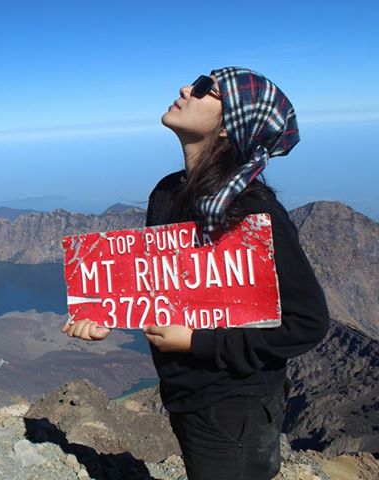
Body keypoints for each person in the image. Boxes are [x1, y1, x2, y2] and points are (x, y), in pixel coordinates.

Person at [62, 66, 331, 480]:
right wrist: (106, 312)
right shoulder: (169, 192)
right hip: (185, 395)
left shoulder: (252, 212)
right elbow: (162, 282)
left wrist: (195, 341)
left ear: (230, 126)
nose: (187, 87)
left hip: (235, 407)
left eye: (208, 89)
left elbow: (307, 323)